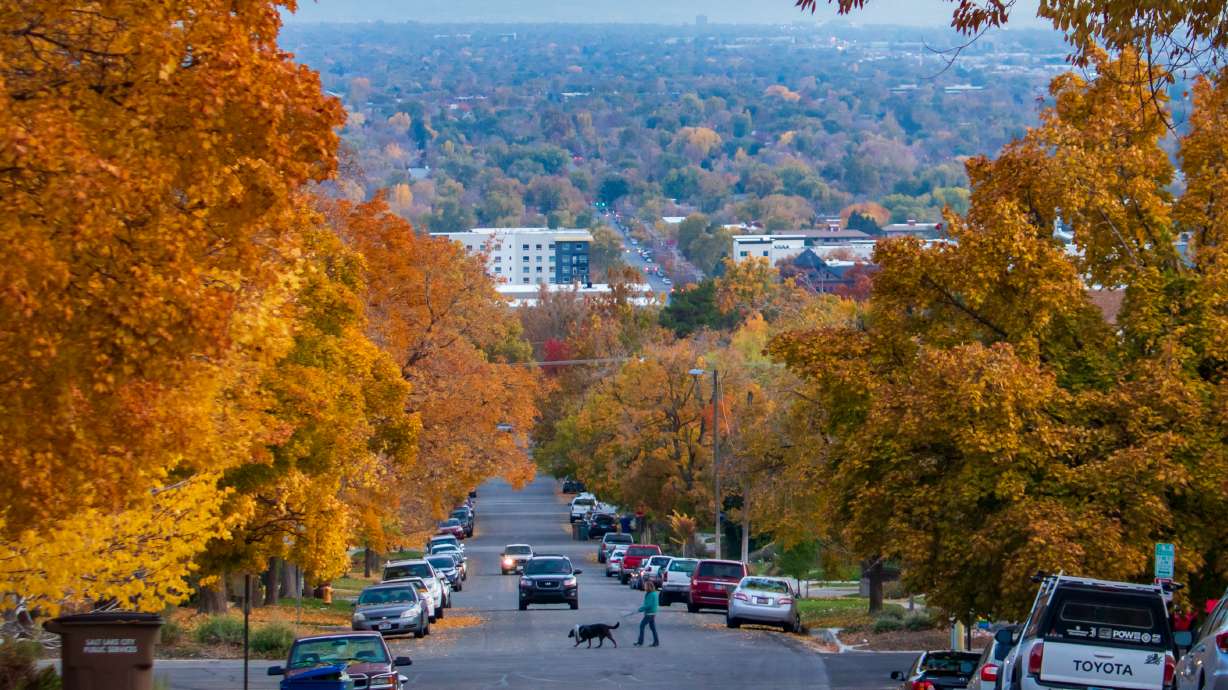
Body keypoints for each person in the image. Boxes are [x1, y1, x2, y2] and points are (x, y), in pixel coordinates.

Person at [634, 579, 660, 647]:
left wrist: (641, 609)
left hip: (650, 613)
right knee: (652, 628)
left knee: (642, 626)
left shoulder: (651, 594)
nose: (644, 587)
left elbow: (649, 605)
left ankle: (640, 642)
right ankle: (656, 642)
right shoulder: (651, 593)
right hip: (651, 613)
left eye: (645, 586)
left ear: (649, 587)